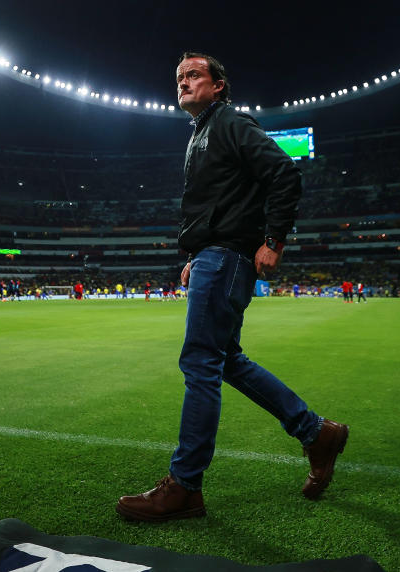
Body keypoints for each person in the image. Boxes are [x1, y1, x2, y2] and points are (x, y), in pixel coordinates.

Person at [117, 52, 348, 522]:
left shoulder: (228, 123)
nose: (183, 82)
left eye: (194, 75)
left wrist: (273, 240)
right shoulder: (201, 132)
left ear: (219, 85)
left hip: (226, 257)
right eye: (179, 77)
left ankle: (185, 486)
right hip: (213, 255)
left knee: (201, 361)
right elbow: (216, 201)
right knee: (228, 361)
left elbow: (285, 173)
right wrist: (194, 255)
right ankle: (315, 433)